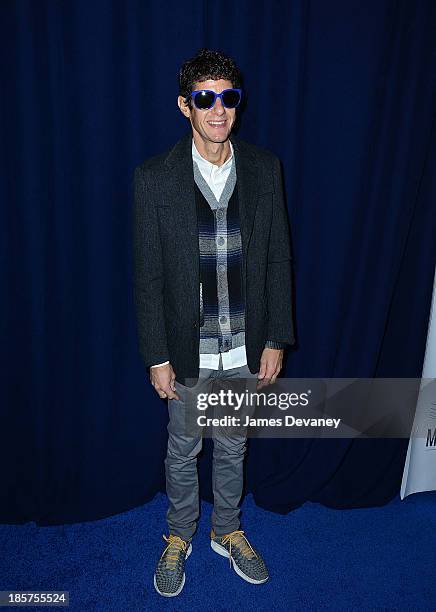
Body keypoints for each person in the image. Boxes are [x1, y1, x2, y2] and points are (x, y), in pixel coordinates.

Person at [133, 48, 294, 597]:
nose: (219, 110)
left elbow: (278, 257)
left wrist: (275, 337)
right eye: (206, 99)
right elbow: (148, 276)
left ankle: (227, 529)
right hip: (186, 348)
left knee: (233, 445)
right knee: (183, 449)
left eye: (228, 97)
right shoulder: (155, 177)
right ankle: (179, 535)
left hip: (243, 347)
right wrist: (156, 354)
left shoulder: (264, 168)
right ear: (186, 106)